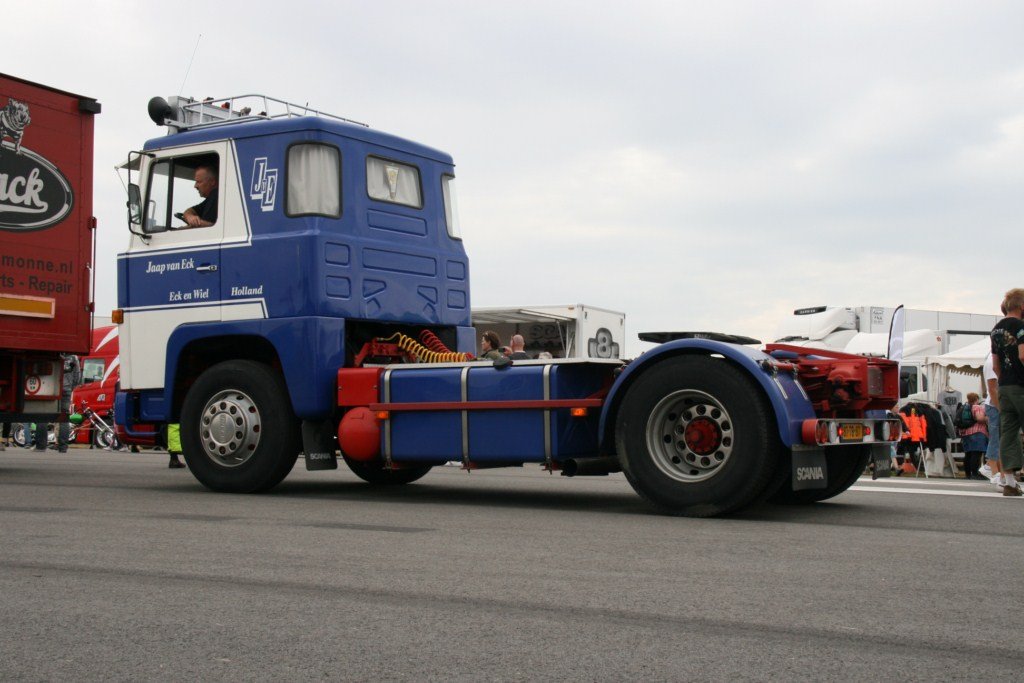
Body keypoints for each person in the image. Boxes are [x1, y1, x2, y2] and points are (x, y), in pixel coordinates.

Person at [990, 288, 1024, 496]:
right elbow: (1023, 355)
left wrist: (1004, 380)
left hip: (1004, 386)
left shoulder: (995, 330)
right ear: (1022, 306)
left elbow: (995, 366)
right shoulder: (1021, 326)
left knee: (1008, 433)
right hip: (1021, 385)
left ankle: (1010, 483)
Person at [980, 350, 1001, 483]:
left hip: (995, 403)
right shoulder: (991, 362)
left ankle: (990, 466)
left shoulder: (993, 360)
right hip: (994, 404)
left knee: (999, 437)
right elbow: (992, 389)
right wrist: (1000, 408)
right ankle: (992, 469)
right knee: (996, 437)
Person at [55, 353, 82, 453]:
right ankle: (63, 446)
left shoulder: (56, 353)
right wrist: (72, 387)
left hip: (53, 387)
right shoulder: (74, 357)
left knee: (45, 414)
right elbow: (77, 374)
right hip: (66, 389)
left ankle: (41, 444)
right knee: (64, 417)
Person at [958, 392, 989, 480]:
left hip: (965, 433)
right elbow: (979, 418)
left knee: (968, 454)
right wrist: (987, 418)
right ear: (976, 399)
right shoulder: (977, 407)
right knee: (976, 454)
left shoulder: (965, 407)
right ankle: (975, 474)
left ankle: (968, 474)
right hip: (977, 433)